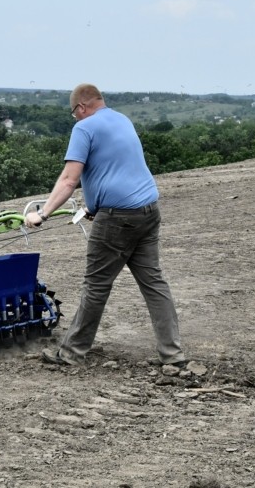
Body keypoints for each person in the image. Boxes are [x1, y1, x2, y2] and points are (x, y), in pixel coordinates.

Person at [24, 83, 186, 367]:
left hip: (118, 217)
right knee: (154, 283)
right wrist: (92, 205)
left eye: (74, 113)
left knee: (96, 285)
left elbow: (68, 179)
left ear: (81, 107)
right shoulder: (121, 119)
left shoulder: (84, 128)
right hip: (147, 211)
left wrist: (43, 213)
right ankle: (173, 355)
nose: (75, 118)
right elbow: (119, 168)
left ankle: (72, 353)